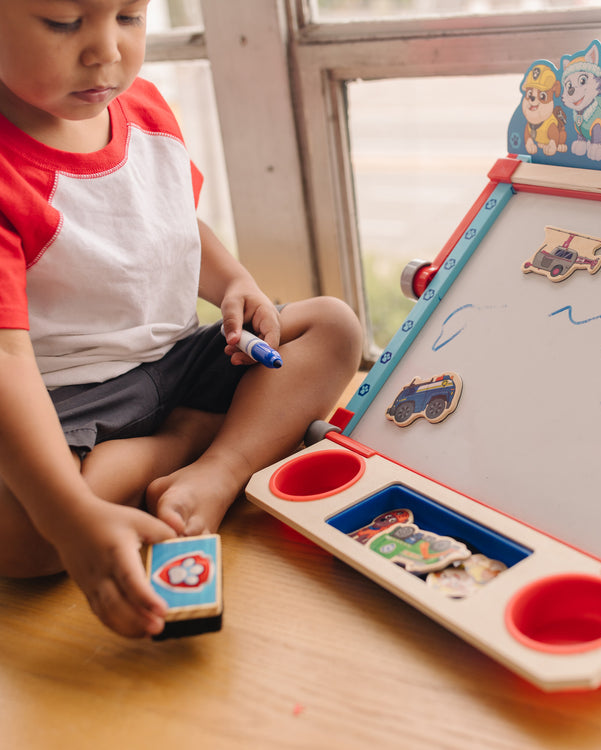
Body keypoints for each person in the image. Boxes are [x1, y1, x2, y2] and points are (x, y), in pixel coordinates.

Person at [0, 0, 363, 638]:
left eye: (130, 17)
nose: (105, 50)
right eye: (63, 22)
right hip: (71, 398)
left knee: (332, 326)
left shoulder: (144, 109)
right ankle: (185, 442)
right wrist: (66, 518)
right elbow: (9, 362)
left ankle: (216, 468)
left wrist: (235, 284)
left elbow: (171, 222)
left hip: (179, 358)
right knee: (25, 540)